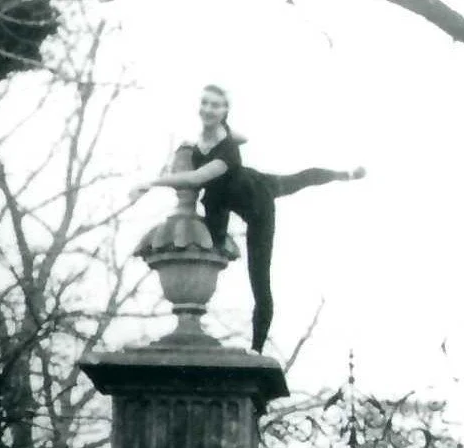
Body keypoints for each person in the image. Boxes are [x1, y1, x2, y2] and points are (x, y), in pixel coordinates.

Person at [128, 84, 366, 353]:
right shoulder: (216, 134)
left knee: (261, 275)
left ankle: (258, 347)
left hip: (258, 199)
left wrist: (150, 183)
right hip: (220, 198)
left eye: (215, 106)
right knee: (214, 236)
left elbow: (195, 178)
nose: (208, 109)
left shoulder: (229, 150)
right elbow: (243, 137)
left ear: (225, 111)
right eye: (205, 103)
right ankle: (342, 174)